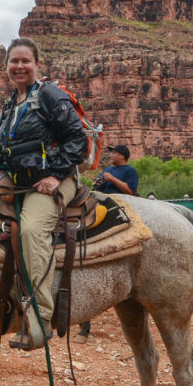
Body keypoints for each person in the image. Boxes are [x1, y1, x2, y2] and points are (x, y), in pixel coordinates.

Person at [0, 38, 88, 350]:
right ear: (6, 67)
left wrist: (55, 176)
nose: (19, 66)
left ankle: (40, 317)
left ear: (36, 64)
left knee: (30, 229)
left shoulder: (50, 95)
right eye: (14, 61)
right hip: (22, 183)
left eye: (25, 61)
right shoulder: (11, 105)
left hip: (56, 181)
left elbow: (77, 140)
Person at [75, 144, 139, 343]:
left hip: (119, 206)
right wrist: (99, 182)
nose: (110, 155)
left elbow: (132, 191)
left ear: (122, 155)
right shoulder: (108, 170)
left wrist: (112, 180)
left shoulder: (129, 171)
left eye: (114, 152)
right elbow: (97, 188)